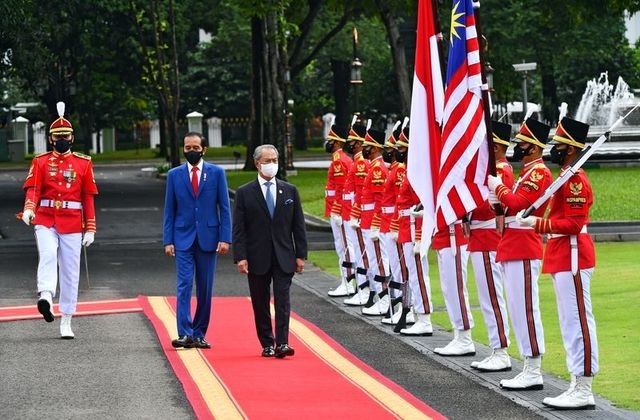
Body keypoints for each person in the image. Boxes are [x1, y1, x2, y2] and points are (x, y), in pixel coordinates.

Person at [517, 117, 599, 409]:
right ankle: (576, 382)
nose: (555, 148)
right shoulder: (566, 175)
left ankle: (583, 386)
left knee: (578, 322)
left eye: (560, 144)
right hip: (563, 254)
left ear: (572, 149)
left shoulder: (575, 180)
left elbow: (574, 223)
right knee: (569, 322)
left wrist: (537, 223)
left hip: (574, 253)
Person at [20, 101, 98, 339]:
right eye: (57, 137)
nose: (61, 140)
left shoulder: (83, 163)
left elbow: (88, 196)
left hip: (73, 221)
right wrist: (29, 209)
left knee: (71, 270)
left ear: (72, 137)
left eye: (65, 136)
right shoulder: (41, 161)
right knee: (48, 254)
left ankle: (66, 319)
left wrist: (91, 227)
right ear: (51, 139)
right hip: (45, 218)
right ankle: (45, 295)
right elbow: (33, 189)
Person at [487, 118, 553, 390]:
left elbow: (518, 203)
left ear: (534, 148)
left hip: (524, 245)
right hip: (513, 243)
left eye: (523, 143)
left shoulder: (539, 173)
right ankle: (528, 364)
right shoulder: (527, 172)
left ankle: (534, 368)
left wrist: (497, 188)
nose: (518, 147)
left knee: (526, 308)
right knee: (516, 307)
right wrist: (497, 204)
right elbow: (510, 209)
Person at [232, 144, 307, 358]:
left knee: (283, 300)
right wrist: (241, 257)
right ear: (257, 163)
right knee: (260, 301)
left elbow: (298, 225)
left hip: (284, 255)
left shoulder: (289, 190)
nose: (271, 164)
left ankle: (282, 342)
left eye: (274, 160)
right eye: (267, 161)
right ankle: (267, 342)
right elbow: (239, 229)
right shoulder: (245, 193)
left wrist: (301, 254)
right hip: (257, 256)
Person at [163, 132, 232, 349]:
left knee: (205, 287)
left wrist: (225, 238)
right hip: (182, 237)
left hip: (209, 238)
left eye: (195, 147)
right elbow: (169, 210)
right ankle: (185, 333)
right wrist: (168, 240)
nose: (191, 151)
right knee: (184, 285)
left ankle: (200, 333)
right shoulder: (174, 175)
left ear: (204, 149)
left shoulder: (217, 173)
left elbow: (225, 208)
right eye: (187, 147)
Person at [468, 121, 514, 371]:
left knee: (492, 298)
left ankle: (501, 350)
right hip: (479, 237)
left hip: (487, 238)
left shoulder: (502, 170)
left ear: (496, 147)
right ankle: (496, 347)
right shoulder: (491, 170)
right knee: (487, 297)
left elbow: (492, 206)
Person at [358, 127, 391, 316]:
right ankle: (381, 295)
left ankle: (385, 296)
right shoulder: (373, 166)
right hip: (368, 219)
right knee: (373, 260)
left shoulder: (378, 169)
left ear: (376, 148)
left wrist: (376, 223)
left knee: (379, 260)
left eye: (367, 146)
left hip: (374, 221)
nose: (364, 149)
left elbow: (380, 200)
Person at [324, 123, 355, 297]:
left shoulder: (339, 161)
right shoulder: (340, 160)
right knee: (342, 246)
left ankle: (348, 282)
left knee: (344, 246)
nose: (328, 143)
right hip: (337, 210)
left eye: (330, 140)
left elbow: (343, 188)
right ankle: (347, 280)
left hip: (340, 211)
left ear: (336, 142)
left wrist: (337, 209)